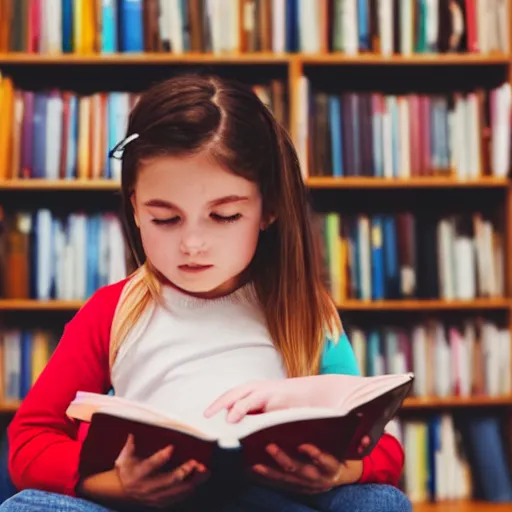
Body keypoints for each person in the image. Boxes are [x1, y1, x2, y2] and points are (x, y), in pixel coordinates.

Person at [1, 74, 411, 512]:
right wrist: (118, 484)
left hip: (273, 502)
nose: (192, 244)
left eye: (225, 216)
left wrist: (338, 471)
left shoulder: (305, 311)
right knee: (25, 507)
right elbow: (29, 441)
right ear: (135, 207)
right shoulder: (112, 310)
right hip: (147, 505)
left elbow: (382, 446)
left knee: (379, 501)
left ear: (268, 208)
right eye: (165, 219)